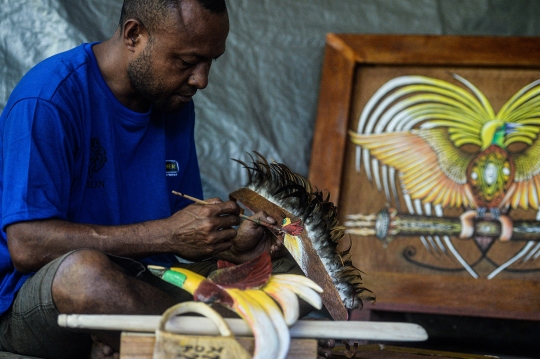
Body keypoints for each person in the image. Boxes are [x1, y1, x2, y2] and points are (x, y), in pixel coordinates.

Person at [0, 0, 293, 358]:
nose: (201, 80)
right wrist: (168, 233)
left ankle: (153, 338)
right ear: (134, 35)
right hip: (39, 299)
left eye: (210, 62)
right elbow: (28, 246)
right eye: (186, 62)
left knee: (286, 265)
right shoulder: (49, 98)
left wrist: (232, 246)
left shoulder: (174, 104)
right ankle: (233, 344)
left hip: (141, 285)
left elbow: (176, 242)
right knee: (85, 275)